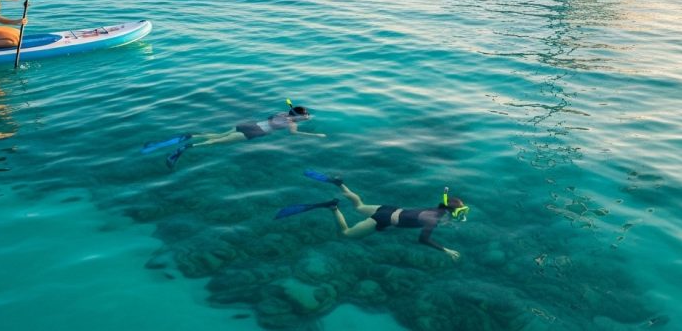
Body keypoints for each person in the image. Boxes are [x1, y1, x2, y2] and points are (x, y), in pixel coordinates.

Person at [276, 171, 469, 261]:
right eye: (460, 211)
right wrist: (446, 250)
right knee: (346, 234)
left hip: (390, 208)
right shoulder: (432, 220)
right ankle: (333, 207)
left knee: (359, 205)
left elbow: (445, 202)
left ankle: (339, 183)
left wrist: (448, 203)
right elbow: (423, 239)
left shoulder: (439, 208)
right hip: (384, 219)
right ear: (452, 211)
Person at [144, 100, 326, 168]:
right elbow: (294, 133)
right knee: (216, 143)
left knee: (217, 135)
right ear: (299, 116)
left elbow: (293, 114)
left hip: (247, 125)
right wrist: (315, 136)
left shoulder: (283, 113)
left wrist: (301, 116)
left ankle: (191, 136)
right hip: (256, 132)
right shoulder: (290, 121)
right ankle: (186, 147)